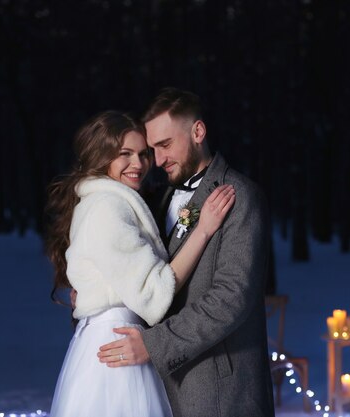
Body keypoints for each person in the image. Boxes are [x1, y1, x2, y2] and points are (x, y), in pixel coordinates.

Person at [97, 88, 275, 417]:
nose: (158, 160)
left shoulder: (241, 196)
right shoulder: (159, 200)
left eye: (165, 145)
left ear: (198, 131)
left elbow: (231, 298)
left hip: (221, 390)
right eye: (153, 149)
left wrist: (154, 346)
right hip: (164, 389)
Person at [45, 110, 235, 417]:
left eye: (143, 154)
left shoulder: (108, 201)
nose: (139, 164)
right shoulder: (107, 207)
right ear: (100, 156)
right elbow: (155, 291)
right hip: (118, 347)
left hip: (111, 340)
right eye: (125, 154)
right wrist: (204, 230)